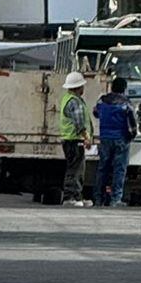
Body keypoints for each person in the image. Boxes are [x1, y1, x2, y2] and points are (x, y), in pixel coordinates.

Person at [92, 76, 138, 206]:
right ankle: (115, 199)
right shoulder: (126, 103)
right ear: (124, 88)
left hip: (105, 138)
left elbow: (95, 113)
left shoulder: (102, 101)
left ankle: (98, 199)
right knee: (119, 169)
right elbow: (133, 123)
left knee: (102, 169)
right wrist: (132, 135)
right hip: (121, 139)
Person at [58, 72, 93, 207]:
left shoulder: (68, 98)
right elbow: (79, 123)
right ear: (79, 87)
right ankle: (70, 197)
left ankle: (77, 196)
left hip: (70, 139)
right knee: (75, 169)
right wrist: (86, 137)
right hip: (74, 139)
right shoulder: (74, 102)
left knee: (77, 168)